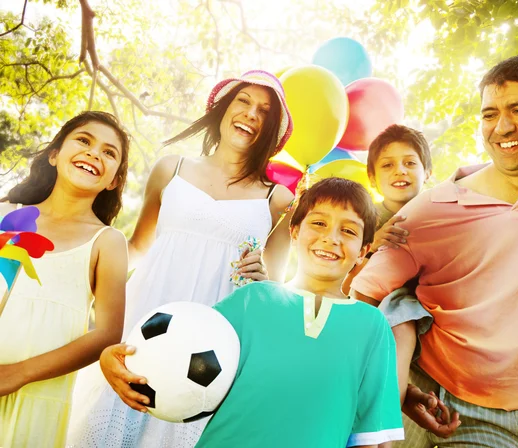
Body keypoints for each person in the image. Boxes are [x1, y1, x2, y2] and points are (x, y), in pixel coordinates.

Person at [352, 55, 518, 447]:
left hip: (496, 417)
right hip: (409, 391)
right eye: (490, 114)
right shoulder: (435, 205)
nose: (502, 127)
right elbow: (364, 295)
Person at [67, 70, 295, 447]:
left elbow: (276, 291)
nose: (252, 114)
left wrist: (266, 276)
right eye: (244, 101)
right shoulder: (169, 168)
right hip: (144, 324)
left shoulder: (279, 201)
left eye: (264, 111)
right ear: (223, 108)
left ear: (270, 130)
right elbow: (137, 247)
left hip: (212, 351)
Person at [98, 177, 405, 447]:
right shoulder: (251, 300)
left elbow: (373, 437)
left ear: (364, 250)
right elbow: (175, 350)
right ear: (295, 231)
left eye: (349, 231)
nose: (331, 238)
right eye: (319, 223)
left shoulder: (372, 327)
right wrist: (115, 360)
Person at [0, 111, 130, 448]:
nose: (93, 154)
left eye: (108, 152)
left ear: (114, 180)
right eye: (84, 141)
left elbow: (106, 334)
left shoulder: (107, 242)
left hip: (40, 400)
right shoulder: (5, 215)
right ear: (55, 154)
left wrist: (18, 374)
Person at [342, 124, 431, 295]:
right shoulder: (360, 221)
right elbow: (345, 289)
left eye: (410, 163)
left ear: (427, 172)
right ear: (372, 178)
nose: (400, 171)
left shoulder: (439, 214)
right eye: (387, 165)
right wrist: (373, 246)